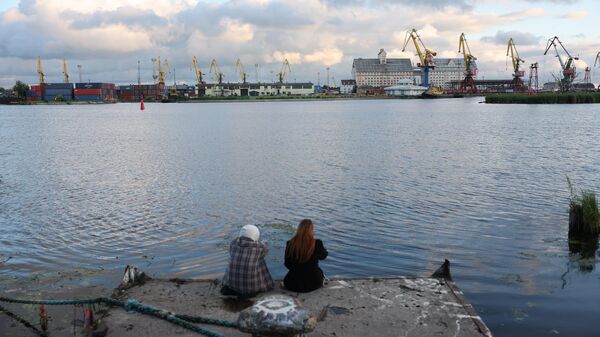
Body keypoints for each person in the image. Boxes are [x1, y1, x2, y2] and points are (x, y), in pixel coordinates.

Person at [221, 225, 274, 298]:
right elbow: (266, 248)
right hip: (251, 289)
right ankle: (265, 284)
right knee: (260, 261)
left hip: (231, 285)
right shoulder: (260, 248)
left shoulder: (233, 244)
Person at [284, 219, 328, 293]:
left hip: (292, 283)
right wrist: (324, 250)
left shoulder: (290, 243)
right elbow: (323, 256)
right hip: (314, 283)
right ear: (311, 230)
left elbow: (287, 264)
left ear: (299, 229)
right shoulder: (317, 243)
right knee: (319, 271)